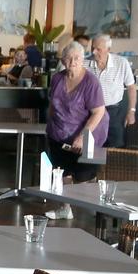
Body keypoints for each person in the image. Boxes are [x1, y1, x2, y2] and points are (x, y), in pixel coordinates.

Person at [46, 41, 107, 183]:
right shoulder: (57, 78)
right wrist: (50, 126)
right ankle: (64, 206)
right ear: (62, 60)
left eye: (77, 58)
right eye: (68, 58)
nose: (72, 62)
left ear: (83, 60)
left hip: (82, 140)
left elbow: (98, 112)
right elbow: (52, 104)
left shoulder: (91, 82)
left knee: (83, 179)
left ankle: (81, 205)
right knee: (61, 176)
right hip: (58, 137)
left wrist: (82, 137)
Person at [84, 34, 136, 148]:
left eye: (98, 49)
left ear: (108, 49)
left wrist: (131, 111)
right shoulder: (84, 63)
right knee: (91, 146)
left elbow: (131, 88)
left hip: (113, 111)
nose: (93, 52)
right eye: (92, 48)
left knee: (116, 146)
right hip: (91, 112)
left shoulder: (121, 63)